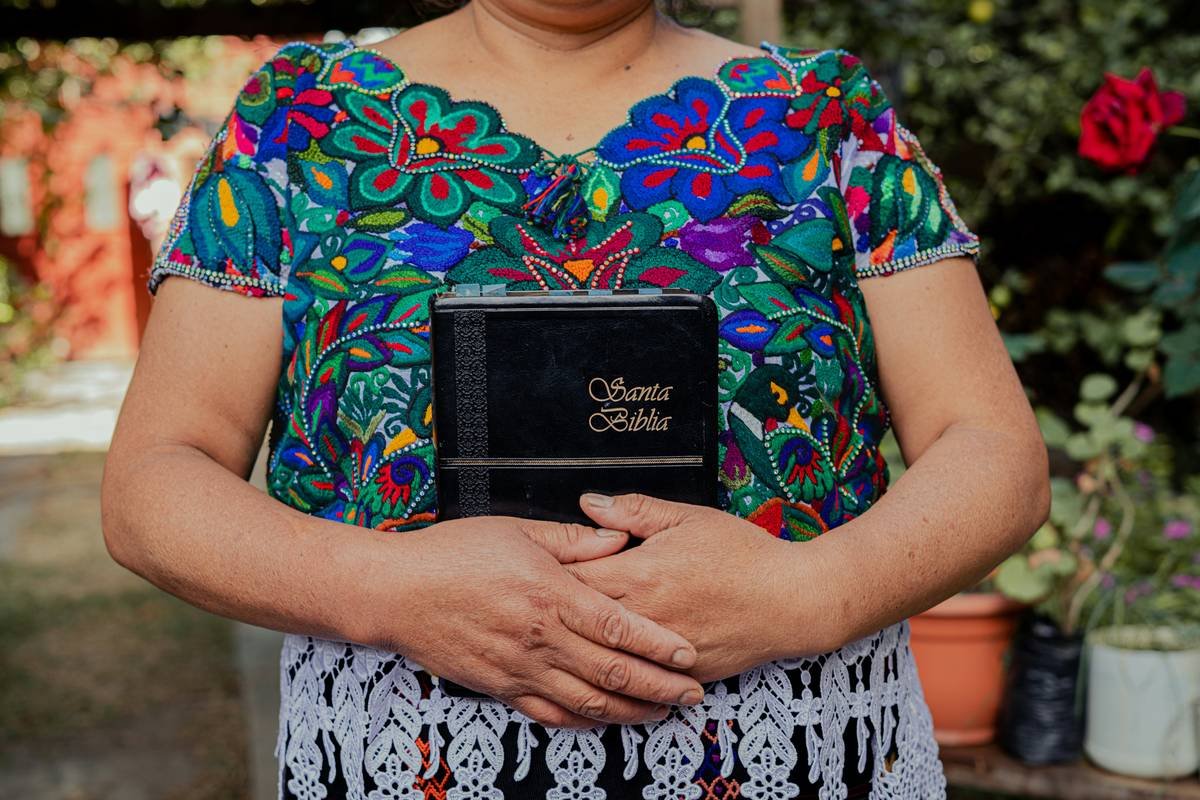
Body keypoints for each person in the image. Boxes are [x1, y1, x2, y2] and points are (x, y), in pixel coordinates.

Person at [100, 1, 1051, 797]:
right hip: (417, 764)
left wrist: (815, 592)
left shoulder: (824, 116)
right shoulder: (298, 122)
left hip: (795, 754)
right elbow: (154, 485)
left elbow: (992, 450)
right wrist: (382, 588)